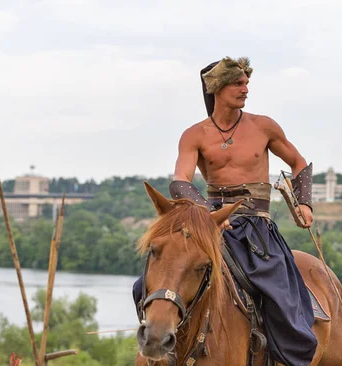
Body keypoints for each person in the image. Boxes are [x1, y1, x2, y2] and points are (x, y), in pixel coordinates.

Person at [132, 57, 317, 366]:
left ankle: (285, 358)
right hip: (212, 224)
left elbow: (299, 163)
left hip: (257, 228)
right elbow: (180, 183)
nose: (245, 89)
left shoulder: (264, 126)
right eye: (238, 83)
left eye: (246, 83)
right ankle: (157, 345)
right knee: (144, 284)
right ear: (217, 87)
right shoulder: (195, 134)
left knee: (279, 294)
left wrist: (304, 202)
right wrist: (207, 215)